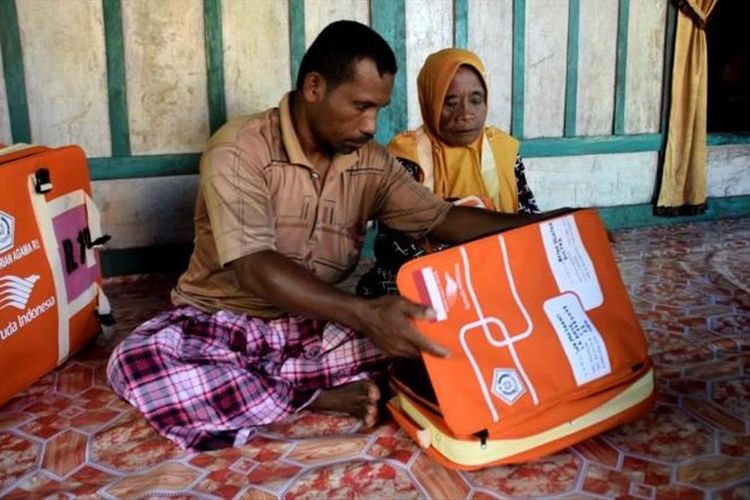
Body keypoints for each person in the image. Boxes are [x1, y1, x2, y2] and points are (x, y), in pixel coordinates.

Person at [107, 21, 556, 451]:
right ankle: (314, 394)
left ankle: (277, 387)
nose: (369, 126)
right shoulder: (240, 147)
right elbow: (253, 266)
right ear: (315, 87)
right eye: (360, 106)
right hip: (223, 323)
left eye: (377, 109)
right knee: (140, 362)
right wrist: (364, 315)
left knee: (438, 336)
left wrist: (553, 225)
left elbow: (441, 219)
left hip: (316, 325)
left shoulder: (371, 162)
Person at [357, 48, 539, 298]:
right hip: (435, 272)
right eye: (450, 103)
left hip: (498, 263)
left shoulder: (503, 149)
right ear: (430, 101)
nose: (465, 115)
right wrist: (455, 273)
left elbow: (528, 214)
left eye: (476, 100)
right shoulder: (407, 154)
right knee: (397, 297)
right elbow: (394, 242)